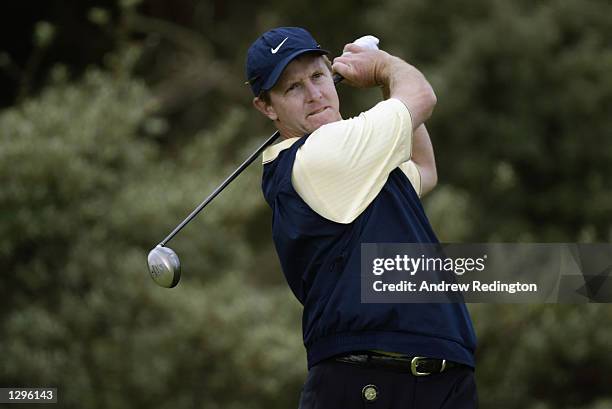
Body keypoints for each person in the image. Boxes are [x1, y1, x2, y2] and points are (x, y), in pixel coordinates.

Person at [246, 26, 478, 408]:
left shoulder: (359, 165)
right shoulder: (322, 154)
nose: (314, 94)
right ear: (267, 107)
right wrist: (384, 67)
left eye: (318, 76)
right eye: (293, 88)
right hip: (370, 381)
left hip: (436, 380)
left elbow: (424, 167)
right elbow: (422, 96)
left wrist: (385, 82)